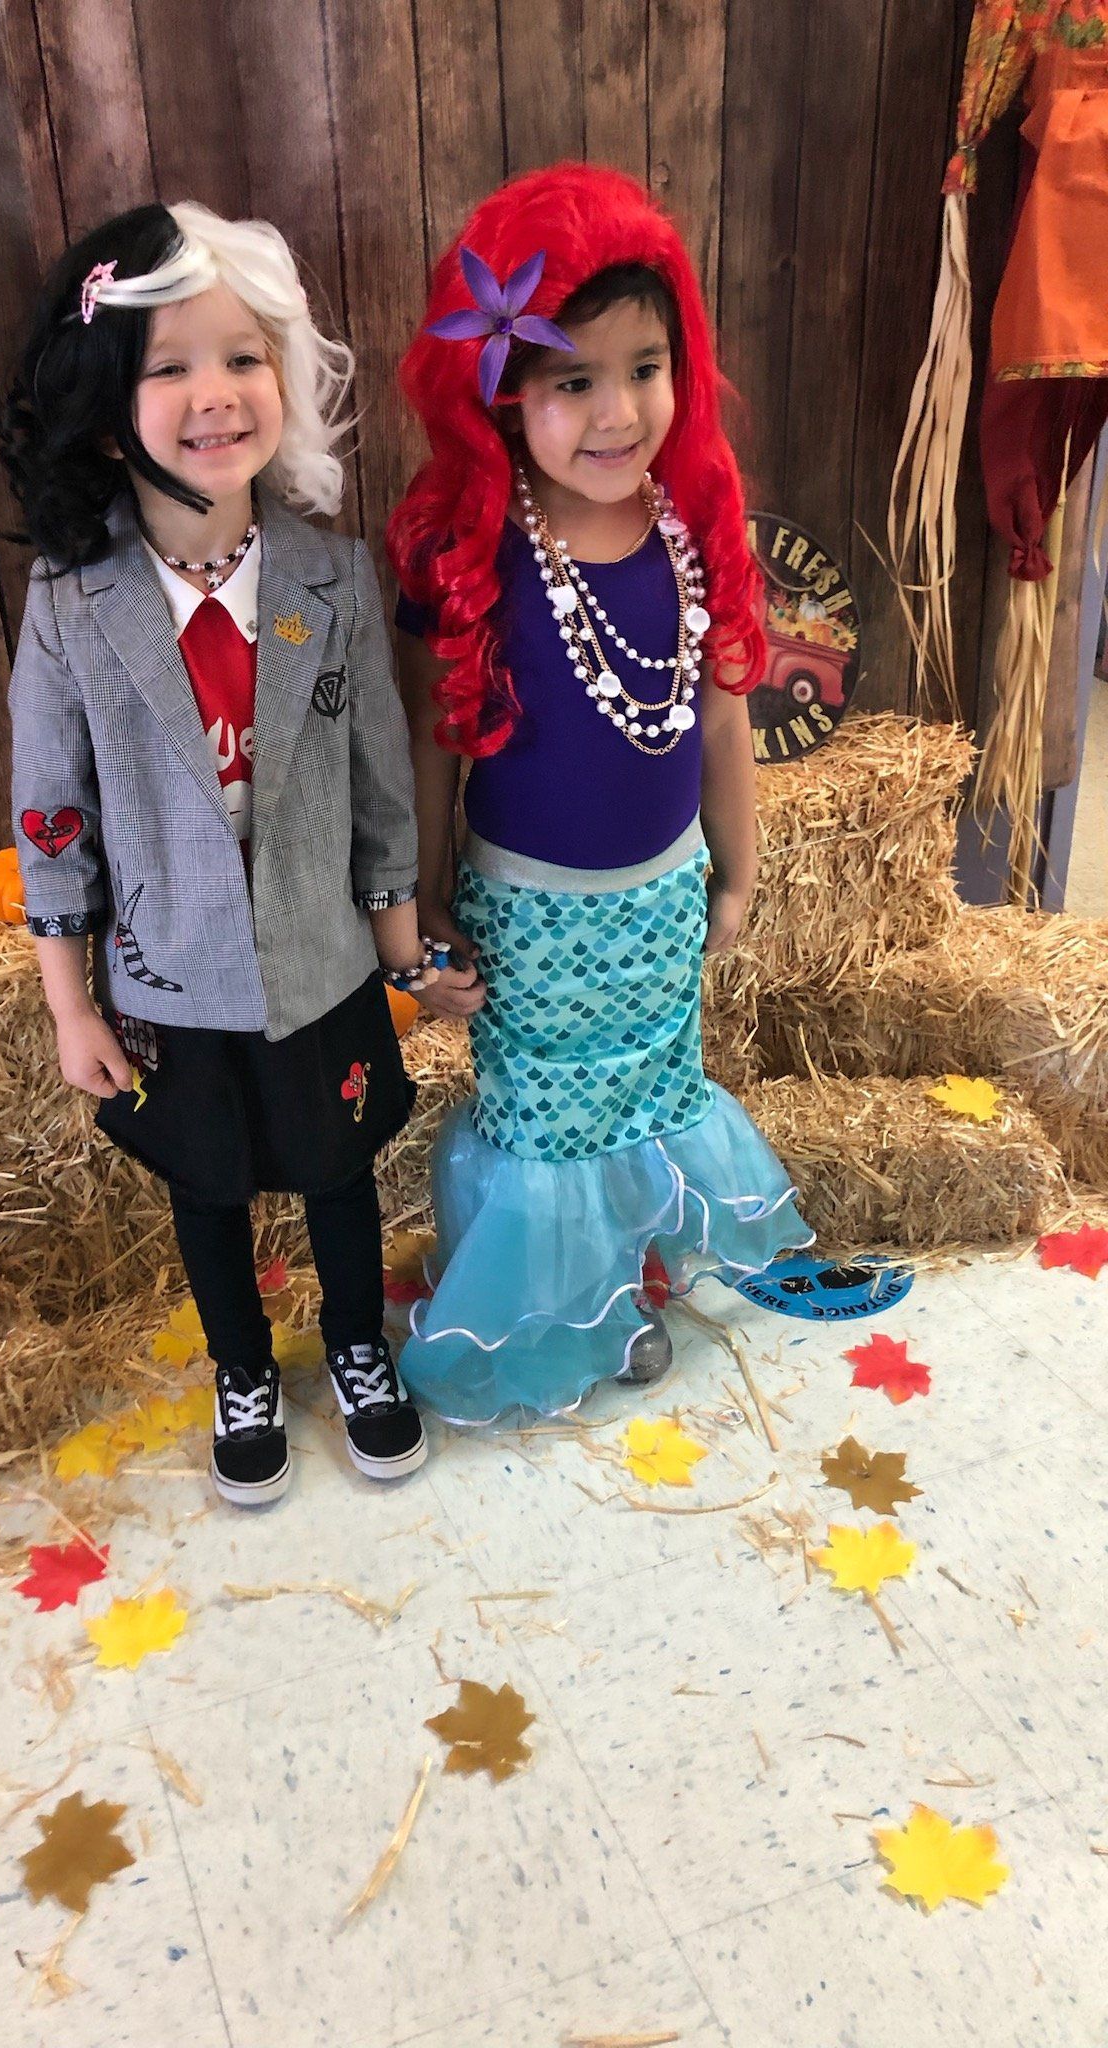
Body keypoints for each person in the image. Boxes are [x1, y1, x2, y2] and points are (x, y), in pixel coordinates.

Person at [0, 200, 436, 1502]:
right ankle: (243, 1369)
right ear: (108, 398)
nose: (213, 393)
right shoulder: (71, 605)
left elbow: (381, 784)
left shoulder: (328, 579)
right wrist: (68, 997)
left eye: (242, 357)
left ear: (287, 379)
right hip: (172, 978)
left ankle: (358, 1347)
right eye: (169, 365)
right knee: (210, 1187)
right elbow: (51, 811)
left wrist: (402, 944)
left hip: (320, 964)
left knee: (338, 1170)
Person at [388, 163, 813, 1425]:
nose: (618, 411)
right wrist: (418, 917)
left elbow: (724, 720)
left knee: (645, 1096)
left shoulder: (690, 527)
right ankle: (566, 1307)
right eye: (574, 379)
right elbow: (435, 750)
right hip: (531, 920)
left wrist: (735, 871)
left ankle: (629, 1266)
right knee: (544, 1125)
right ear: (504, 390)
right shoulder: (478, 554)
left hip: (660, 902)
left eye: (645, 367)